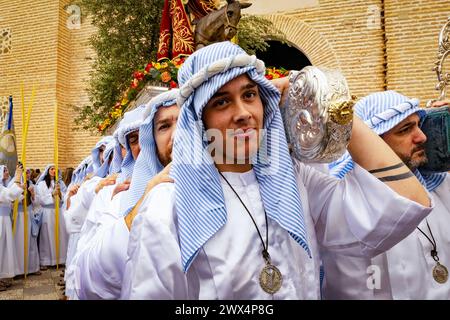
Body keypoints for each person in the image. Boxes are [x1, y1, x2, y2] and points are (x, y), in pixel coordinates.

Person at [121, 41, 432, 300]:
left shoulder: (298, 182)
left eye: (249, 95)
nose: (243, 113)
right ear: (198, 121)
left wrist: (322, 101)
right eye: (221, 102)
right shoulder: (166, 206)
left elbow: (405, 202)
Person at [324, 91, 450, 299]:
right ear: (374, 142)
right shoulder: (346, 207)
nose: (422, 137)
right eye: (405, 129)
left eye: (419, 125)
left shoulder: (440, 186)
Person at [73, 90, 179, 300]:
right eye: (133, 140)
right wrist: (140, 207)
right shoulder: (117, 196)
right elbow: (88, 281)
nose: (177, 136)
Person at [35, 165, 68, 268]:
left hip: (58, 211)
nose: (54, 171)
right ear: (47, 171)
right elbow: (40, 199)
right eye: (52, 169)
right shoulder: (41, 184)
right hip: (47, 212)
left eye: (55, 169)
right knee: (47, 235)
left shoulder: (60, 183)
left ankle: (61, 258)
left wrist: (61, 194)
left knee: (60, 234)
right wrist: (52, 194)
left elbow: (66, 195)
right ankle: (46, 260)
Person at [0, 164, 24, 291]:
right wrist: (18, 177)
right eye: (3, 170)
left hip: (4, 220)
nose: (6, 172)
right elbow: (9, 195)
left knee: (4, 249)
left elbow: (13, 195)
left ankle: (3, 276)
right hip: (0, 220)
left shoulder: (2, 186)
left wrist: (18, 180)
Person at [12, 168, 40, 276]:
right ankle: (19, 269)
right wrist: (21, 191)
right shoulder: (15, 183)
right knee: (20, 240)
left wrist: (32, 194)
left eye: (28, 172)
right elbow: (12, 200)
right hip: (19, 216)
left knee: (31, 241)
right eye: (26, 172)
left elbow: (36, 203)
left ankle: (32, 268)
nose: (28, 174)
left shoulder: (31, 184)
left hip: (28, 214)